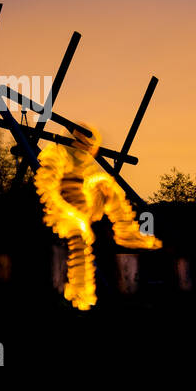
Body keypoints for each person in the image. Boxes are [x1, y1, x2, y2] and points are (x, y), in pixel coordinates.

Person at [34, 123, 161, 310]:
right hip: (61, 212)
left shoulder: (82, 163)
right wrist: (69, 213)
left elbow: (91, 183)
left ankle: (126, 231)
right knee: (78, 240)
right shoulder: (56, 155)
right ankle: (80, 292)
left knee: (106, 183)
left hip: (84, 205)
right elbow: (47, 189)